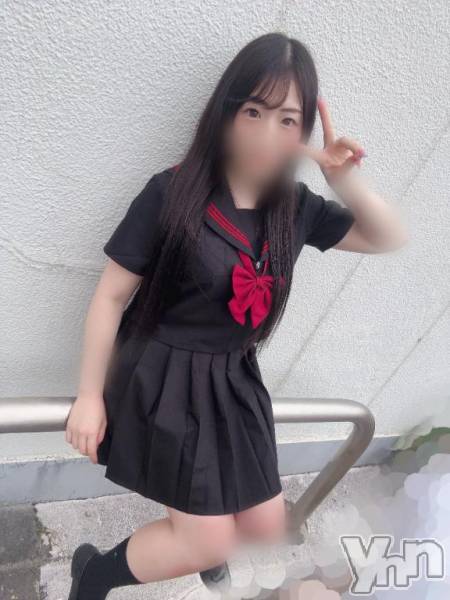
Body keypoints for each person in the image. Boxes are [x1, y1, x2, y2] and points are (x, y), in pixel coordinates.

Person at [65, 31, 408, 599]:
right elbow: (109, 297)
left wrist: (342, 179)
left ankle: (206, 541)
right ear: (227, 112)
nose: (268, 133)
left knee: (265, 522)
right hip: (163, 376)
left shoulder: (294, 208)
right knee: (208, 540)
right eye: (254, 111)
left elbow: (388, 236)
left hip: (231, 376)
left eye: (287, 120)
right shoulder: (171, 195)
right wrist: (88, 396)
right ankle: (94, 575)